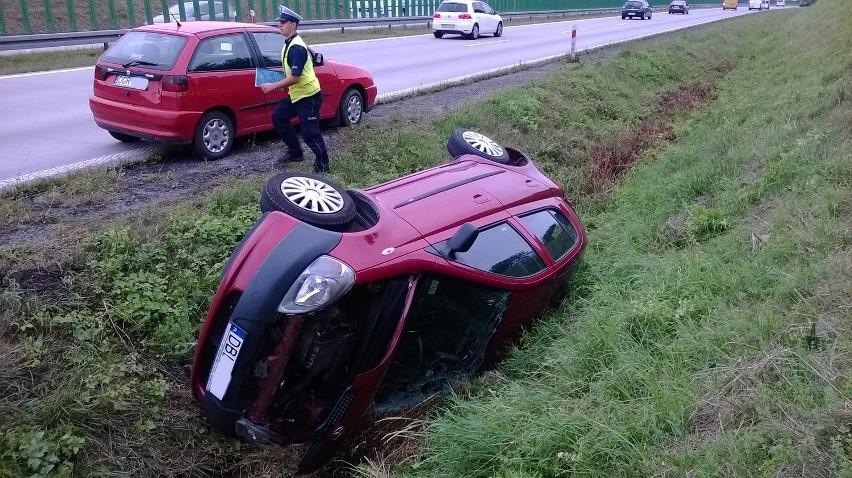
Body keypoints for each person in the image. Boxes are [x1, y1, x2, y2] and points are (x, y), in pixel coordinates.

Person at [260, 7, 330, 173]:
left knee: (310, 134)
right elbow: (292, 73)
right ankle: (295, 153)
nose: (280, 25)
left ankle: (323, 167)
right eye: (279, 22)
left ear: (293, 24)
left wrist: (273, 86)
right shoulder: (289, 44)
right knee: (278, 116)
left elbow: (296, 77)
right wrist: (281, 83)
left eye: (283, 22)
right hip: (297, 94)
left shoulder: (296, 47)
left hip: (309, 96)